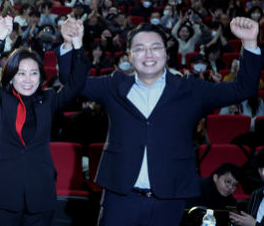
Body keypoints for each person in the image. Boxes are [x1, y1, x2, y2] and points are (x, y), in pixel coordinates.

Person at [57, 18, 262, 226]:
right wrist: (70, 43)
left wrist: (250, 43)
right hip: (120, 197)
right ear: (129, 55)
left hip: (169, 200)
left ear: (166, 53)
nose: (148, 54)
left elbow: (243, 89)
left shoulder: (190, 90)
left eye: (155, 48)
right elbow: (71, 82)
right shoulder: (114, 85)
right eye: (140, 48)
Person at [0, 16, 88, 225]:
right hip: (3, 194)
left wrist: (76, 44)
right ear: (10, 76)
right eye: (21, 73)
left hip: (41, 193)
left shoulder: (49, 100)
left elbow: (76, 84)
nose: (28, 79)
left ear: (40, 76)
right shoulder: (1, 99)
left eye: (33, 73)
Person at [229, 150, 264, 226]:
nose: (262, 174)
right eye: (260, 169)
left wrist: (254, 224)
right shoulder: (256, 194)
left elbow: (252, 223)